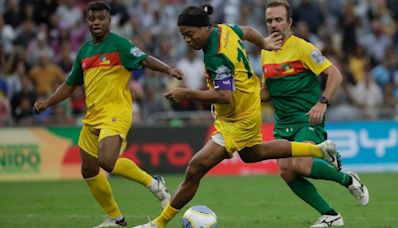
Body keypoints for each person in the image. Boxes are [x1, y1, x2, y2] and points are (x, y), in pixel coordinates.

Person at [134, 4, 341, 228]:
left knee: (195, 168)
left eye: (190, 34)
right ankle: (318, 149)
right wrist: (265, 43)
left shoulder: (216, 56)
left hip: (238, 118)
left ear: (205, 28)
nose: (187, 40)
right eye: (183, 35)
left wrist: (186, 93)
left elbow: (224, 96)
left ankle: (158, 224)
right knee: (253, 154)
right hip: (246, 105)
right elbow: (249, 31)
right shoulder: (224, 29)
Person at [33, 1, 183, 227]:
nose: (96, 23)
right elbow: (70, 84)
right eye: (92, 19)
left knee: (107, 161)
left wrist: (168, 69)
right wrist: (47, 102)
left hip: (116, 111)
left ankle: (153, 182)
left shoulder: (120, 44)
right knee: (89, 169)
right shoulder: (84, 51)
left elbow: (144, 58)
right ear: (87, 21)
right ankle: (116, 218)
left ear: (109, 20)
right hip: (93, 116)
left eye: (101, 18)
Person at [261, 1, 369, 227]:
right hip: (283, 123)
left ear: (289, 22)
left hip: (306, 118)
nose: (273, 24)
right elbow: (267, 92)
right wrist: (240, 98)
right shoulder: (265, 52)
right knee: (287, 173)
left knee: (300, 165)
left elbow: (335, 74)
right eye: (269, 20)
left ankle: (348, 179)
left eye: (278, 19)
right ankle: (331, 215)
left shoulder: (303, 48)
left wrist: (322, 103)